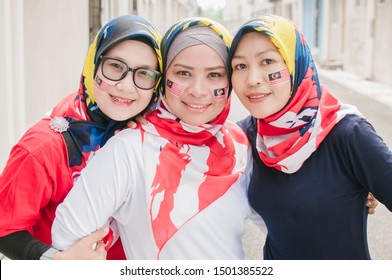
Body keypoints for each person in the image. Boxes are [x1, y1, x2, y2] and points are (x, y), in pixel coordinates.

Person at [51, 17, 264, 260]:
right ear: (163, 78)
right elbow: (67, 239)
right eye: (183, 72)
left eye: (214, 75)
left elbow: (283, 221)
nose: (197, 90)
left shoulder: (240, 144)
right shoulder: (129, 149)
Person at [229, 14, 392, 259]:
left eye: (268, 61)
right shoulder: (244, 136)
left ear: (297, 63)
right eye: (240, 66)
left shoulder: (347, 133)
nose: (252, 79)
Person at [0, 15, 162, 260]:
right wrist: (57, 261)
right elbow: (4, 229)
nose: (127, 87)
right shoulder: (44, 147)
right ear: (93, 65)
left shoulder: (152, 132)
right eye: (115, 66)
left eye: (144, 74)